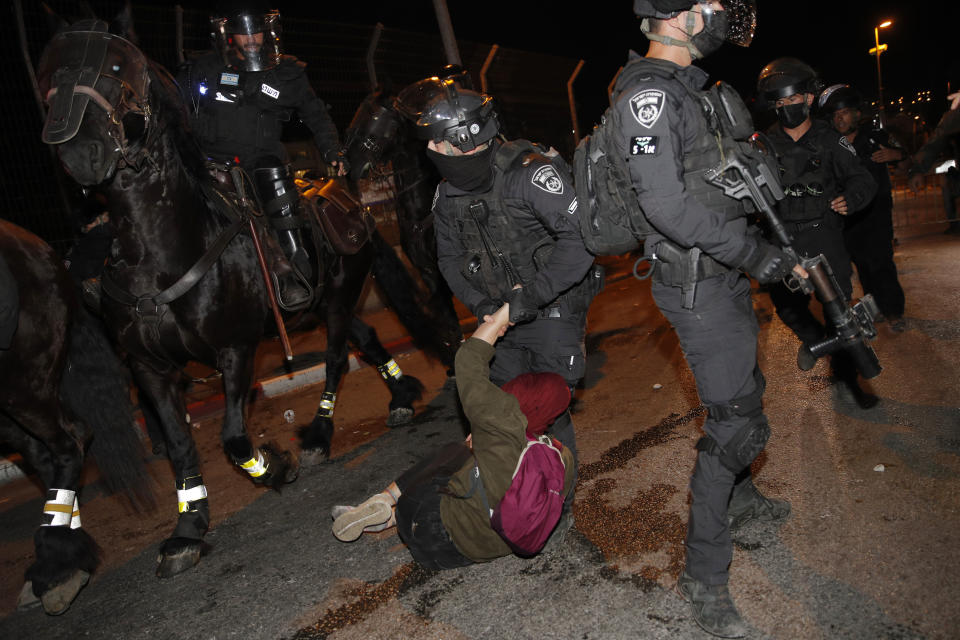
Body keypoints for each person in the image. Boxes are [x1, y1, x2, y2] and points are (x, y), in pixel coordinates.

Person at [617, 2, 799, 636]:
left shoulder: (691, 89)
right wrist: (754, 254)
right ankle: (704, 576)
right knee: (735, 423)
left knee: (746, 393)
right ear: (677, 16)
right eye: (713, 7)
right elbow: (665, 207)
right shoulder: (647, 96)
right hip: (696, 284)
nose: (725, 17)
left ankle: (740, 496)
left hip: (722, 273)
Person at [394, 76, 599, 525]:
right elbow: (447, 257)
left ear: (464, 139)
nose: (436, 155)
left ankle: (555, 510)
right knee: (501, 408)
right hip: (499, 315)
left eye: (440, 147)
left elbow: (581, 241)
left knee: (548, 407)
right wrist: (482, 307)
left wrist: (532, 298)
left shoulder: (529, 174)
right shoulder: (448, 193)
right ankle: (509, 492)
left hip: (552, 306)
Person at [330, 303, 576, 569]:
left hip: (426, 529)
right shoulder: (564, 457)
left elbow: (468, 358)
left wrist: (502, 317)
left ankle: (386, 503)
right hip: (467, 554)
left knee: (455, 453)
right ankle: (386, 517)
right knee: (483, 470)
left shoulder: (498, 420)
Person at [177, 2, 346, 308]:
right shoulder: (202, 69)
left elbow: (316, 114)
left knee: (272, 177)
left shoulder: (287, 72)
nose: (251, 38)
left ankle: (293, 269)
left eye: (256, 30)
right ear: (228, 34)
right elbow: (180, 113)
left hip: (261, 162)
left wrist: (333, 149)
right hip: (210, 163)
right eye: (244, 32)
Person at [756, 57, 878, 408]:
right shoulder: (764, 143)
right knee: (787, 307)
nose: (785, 109)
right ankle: (818, 341)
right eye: (778, 103)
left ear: (808, 99)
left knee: (838, 305)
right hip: (782, 238)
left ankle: (846, 372)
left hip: (823, 233)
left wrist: (850, 199)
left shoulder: (830, 140)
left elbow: (861, 179)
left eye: (791, 101)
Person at [820, 84, 906, 331]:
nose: (839, 118)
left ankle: (893, 311)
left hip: (876, 213)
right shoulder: (829, 144)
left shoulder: (875, 137)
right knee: (861, 264)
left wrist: (895, 155)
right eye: (835, 115)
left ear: (857, 113)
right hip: (847, 217)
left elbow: (905, 158)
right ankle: (876, 305)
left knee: (881, 261)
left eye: (844, 112)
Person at [907, 91, 960, 235]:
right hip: (953, 167)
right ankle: (954, 223)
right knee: (948, 191)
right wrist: (917, 170)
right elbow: (936, 141)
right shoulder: (955, 115)